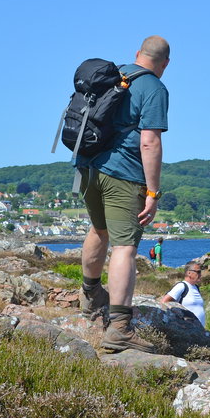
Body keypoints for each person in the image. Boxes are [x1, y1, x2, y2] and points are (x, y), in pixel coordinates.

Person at [76, 35, 171, 353]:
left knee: (99, 229)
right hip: (123, 174)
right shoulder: (154, 88)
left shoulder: (112, 74)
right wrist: (153, 192)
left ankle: (90, 297)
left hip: (87, 167)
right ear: (165, 64)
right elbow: (149, 142)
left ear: (137, 53)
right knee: (125, 248)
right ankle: (119, 328)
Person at [159, 261, 206, 325]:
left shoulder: (196, 287)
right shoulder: (182, 286)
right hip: (188, 328)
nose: (200, 274)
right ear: (189, 273)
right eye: (198, 272)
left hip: (199, 329)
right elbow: (164, 301)